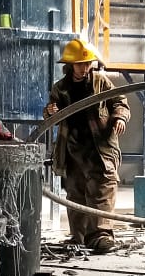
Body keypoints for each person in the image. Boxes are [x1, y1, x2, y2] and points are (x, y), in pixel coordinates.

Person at [44, 38, 130, 253]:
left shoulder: (101, 82)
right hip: (73, 149)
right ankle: (79, 236)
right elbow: (50, 113)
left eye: (88, 63)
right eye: (81, 64)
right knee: (76, 193)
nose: (85, 68)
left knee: (101, 189)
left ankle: (101, 236)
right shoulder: (60, 88)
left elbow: (119, 101)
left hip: (99, 148)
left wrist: (119, 117)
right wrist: (50, 112)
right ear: (70, 64)